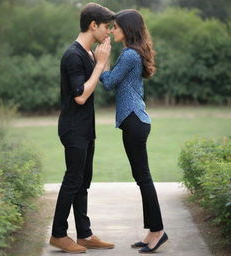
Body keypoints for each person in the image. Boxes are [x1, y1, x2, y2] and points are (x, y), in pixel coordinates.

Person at [100, 9, 168, 253]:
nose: (112, 30)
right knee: (142, 178)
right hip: (135, 121)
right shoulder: (131, 53)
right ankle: (153, 231)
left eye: (115, 27)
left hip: (134, 122)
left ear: (127, 29)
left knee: (143, 178)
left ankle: (158, 231)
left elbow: (108, 83)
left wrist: (102, 61)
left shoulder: (129, 55)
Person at [50, 3, 115, 254]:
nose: (109, 32)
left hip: (86, 128)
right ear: (93, 25)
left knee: (83, 181)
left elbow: (98, 81)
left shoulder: (88, 54)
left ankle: (84, 234)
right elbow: (80, 96)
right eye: (107, 27)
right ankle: (58, 234)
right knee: (73, 179)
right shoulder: (73, 55)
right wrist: (99, 65)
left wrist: (103, 60)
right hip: (73, 128)